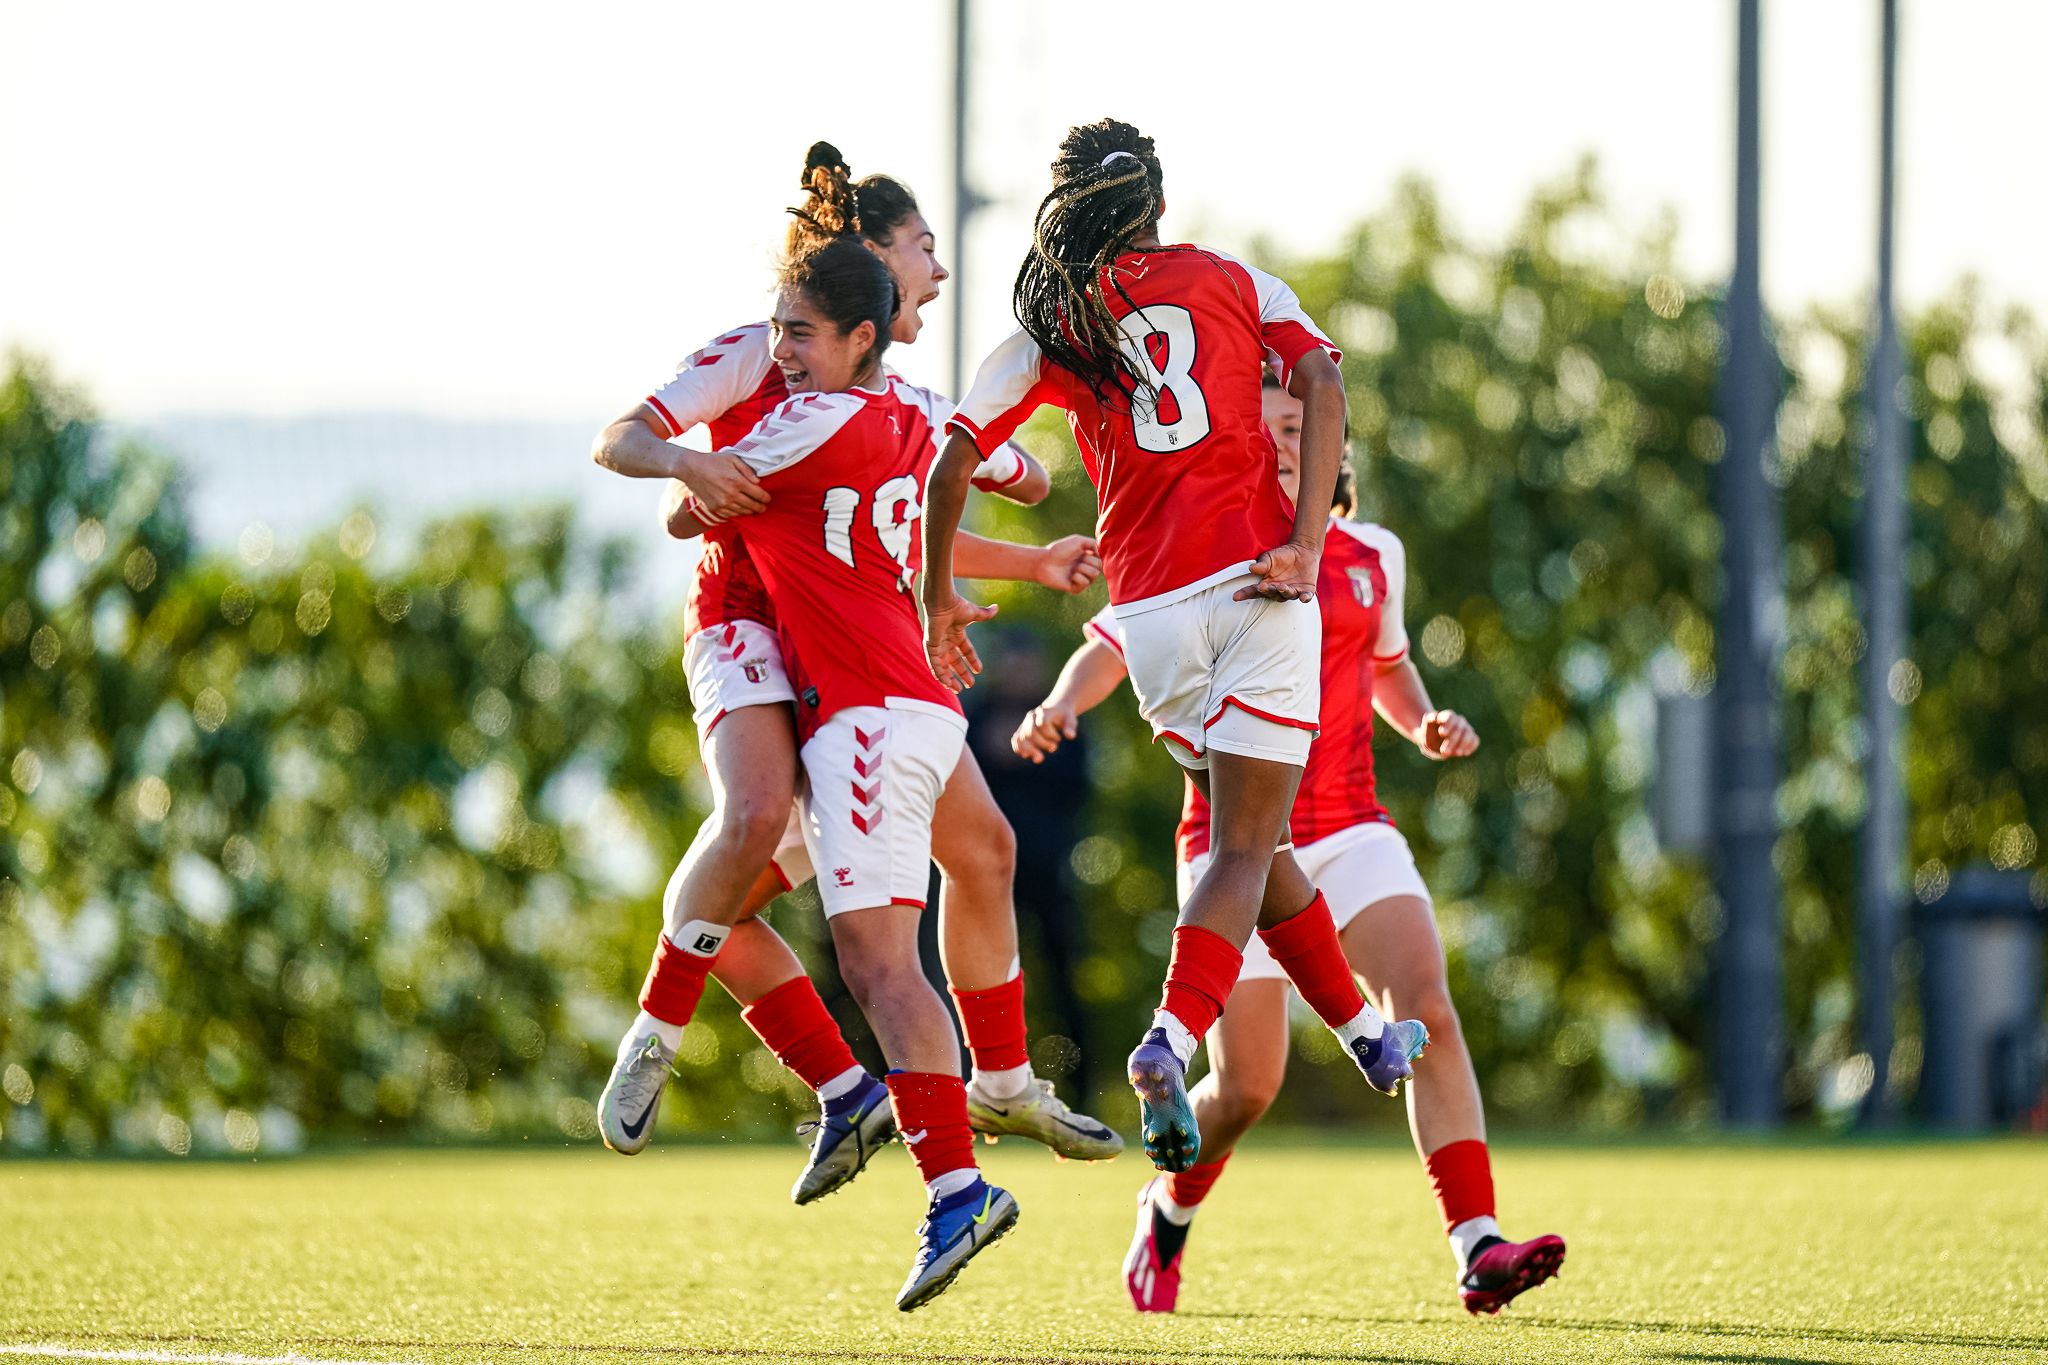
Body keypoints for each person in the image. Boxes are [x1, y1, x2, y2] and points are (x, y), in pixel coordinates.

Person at [588, 144, 1118, 1200]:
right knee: (751, 832)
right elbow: (660, 477)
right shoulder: (764, 355)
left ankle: (973, 1087)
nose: (938, 269)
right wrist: (695, 466)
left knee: (984, 854)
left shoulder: (890, 400)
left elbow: (902, 519)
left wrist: (1017, 551)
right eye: (923, 247)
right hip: (751, 625)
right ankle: (663, 1035)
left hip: (845, 651)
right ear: (870, 263)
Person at [919, 119, 1428, 1174]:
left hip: (1147, 617)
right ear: (1156, 198)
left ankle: (1365, 1038)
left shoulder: (1055, 318)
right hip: (1252, 590)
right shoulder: (1235, 280)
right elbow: (1323, 384)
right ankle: (1168, 1041)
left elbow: (948, 465)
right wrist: (1304, 543)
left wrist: (937, 600)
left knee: (1257, 849)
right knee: (1243, 848)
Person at [1015, 374, 1567, 1316]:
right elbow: (1113, 641)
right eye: (1265, 424)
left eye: (1298, 427)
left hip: (1352, 825)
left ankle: (1478, 1243)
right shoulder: (1206, 543)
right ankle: (1168, 1208)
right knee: (1246, 1085)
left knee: (1426, 1004)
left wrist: (1426, 722)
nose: (1280, 441)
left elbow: (1387, 666)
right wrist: (1062, 704)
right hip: (1238, 845)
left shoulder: (1372, 554)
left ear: (1334, 446)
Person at [661, 235, 1026, 1310]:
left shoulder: (805, 420)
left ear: (859, 335)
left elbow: (683, 509)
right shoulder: (918, 411)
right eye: (778, 331)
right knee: (744, 907)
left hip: (862, 720)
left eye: (800, 334)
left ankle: (957, 1188)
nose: (780, 352)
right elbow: (1021, 471)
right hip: (909, 711)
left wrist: (700, 462)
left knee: (881, 968)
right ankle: (864, 1101)